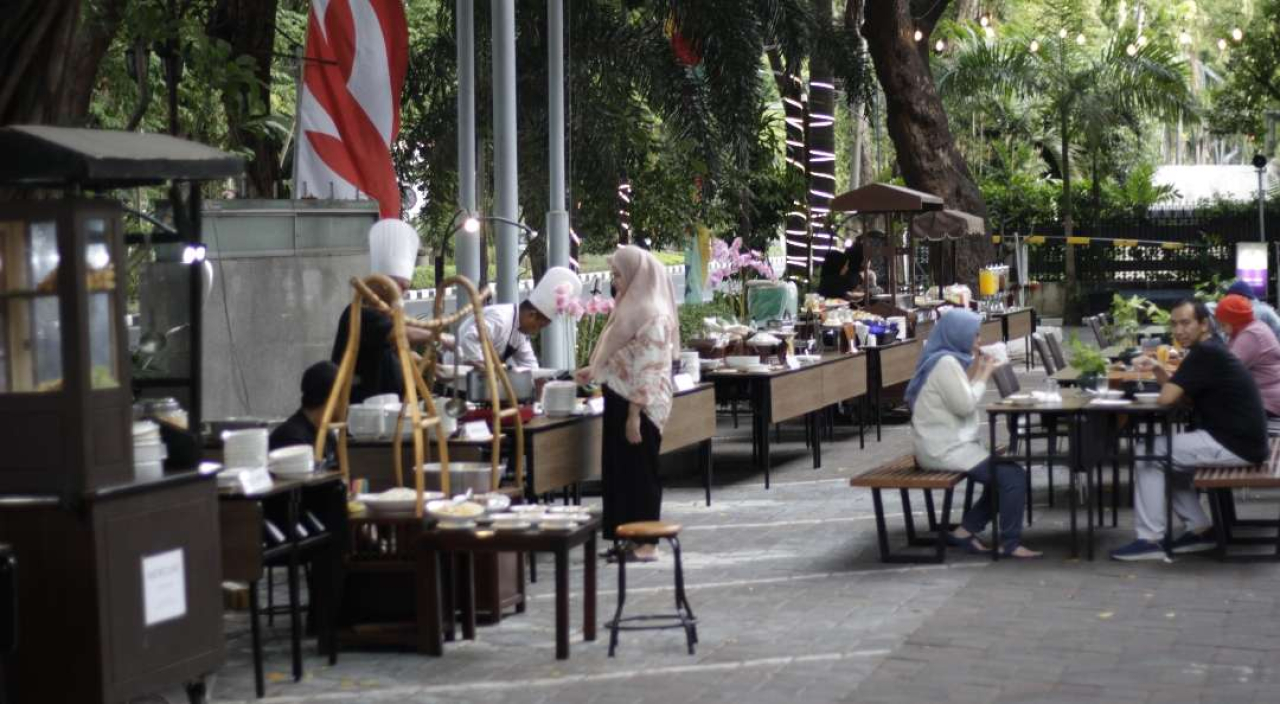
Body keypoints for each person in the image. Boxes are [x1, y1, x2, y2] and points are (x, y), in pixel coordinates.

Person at [1111, 300, 1270, 561]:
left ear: (1204, 324)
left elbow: (1166, 399)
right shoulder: (1211, 348)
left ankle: (1150, 539)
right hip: (1243, 440)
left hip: (1235, 444)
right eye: (1174, 324)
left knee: (1148, 451)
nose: (1179, 330)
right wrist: (1159, 370)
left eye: (1186, 323)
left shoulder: (1204, 353)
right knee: (1167, 454)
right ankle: (1200, 529)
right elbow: (1182, 395)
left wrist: (1154, 385)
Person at [906, 310, 1041, 559]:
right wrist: (986, 372)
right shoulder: (945, 363)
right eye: (974, 334)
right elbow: (966, 404)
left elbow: (962, 397)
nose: (978, 340)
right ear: (958, 334)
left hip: (948, 444)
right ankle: (1009, 543)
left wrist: (981, 369)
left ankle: (964, 532)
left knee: (1006, 473)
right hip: (944, 449)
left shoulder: (945, 360)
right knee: (1012, 477)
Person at [575, 246, 679, 563]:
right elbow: (622, 353)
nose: (615, 282)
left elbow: (650, 368)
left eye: (619, 275)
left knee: (641, 473)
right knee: (620, 472)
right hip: (619, 397)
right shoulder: (630, 307)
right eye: (614, 275)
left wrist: (634, 414)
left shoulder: (653, 314)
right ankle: (626, 537)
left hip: (642, 406)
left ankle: (647, 545)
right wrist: (595, 371)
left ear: (637, 275)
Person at [330, 219, 435, 403]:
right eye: (400, 286)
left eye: (406, 288)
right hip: (361, 409)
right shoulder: (361, 312)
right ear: (381, 283)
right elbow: (399, 334)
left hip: (389, 406)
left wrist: (433, 366)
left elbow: (394, 351)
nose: (402, 293)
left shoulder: (385, 314)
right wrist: (437, 335)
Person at [455, 266, 581, 369]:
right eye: (539, 326)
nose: (537, 331)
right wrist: (485, 366)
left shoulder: (519, 332)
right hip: (457, 376)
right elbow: (470, 338)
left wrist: (541, 379)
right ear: (531, 315)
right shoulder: (501, 319)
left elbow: (529, 365)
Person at [1215, 294, 1280, 430]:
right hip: (1264, 399)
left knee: (1209, 409)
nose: (1221, 329)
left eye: (1223, 323)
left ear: (1234, 320)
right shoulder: (1252, 328)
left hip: (1266, 402)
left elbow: (1226, 370)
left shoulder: (1251, 335)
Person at [270, 361, 339, 466]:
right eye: (343, 397)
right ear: (331, 400)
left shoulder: (327, 434)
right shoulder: (291, 439)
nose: (347, 404)